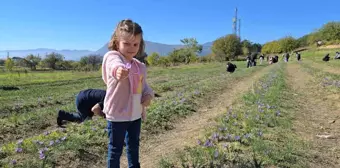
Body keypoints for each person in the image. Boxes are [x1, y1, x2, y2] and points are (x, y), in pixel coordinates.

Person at [101, 19, 154, 168]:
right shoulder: (113, 57)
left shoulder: (140, 66)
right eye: (127, 44)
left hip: (135, 116)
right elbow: (113, 65)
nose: (131, 48)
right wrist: (118, 70)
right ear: (117, 42)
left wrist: (148, 95)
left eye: (135, 44)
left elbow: (145, 87)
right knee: (115, 149)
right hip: (117, 115)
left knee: (133, 147)